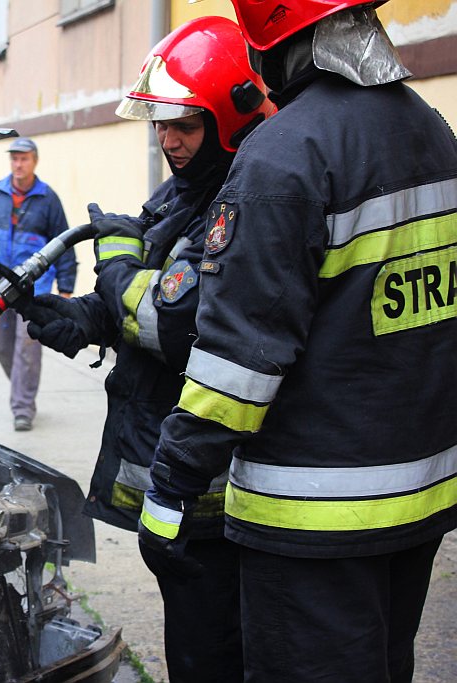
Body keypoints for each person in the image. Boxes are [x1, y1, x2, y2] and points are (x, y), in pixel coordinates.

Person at [135, 2, 457, 681]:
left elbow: (237, 364)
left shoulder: (286, 155)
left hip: (312, 520)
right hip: (419, 498)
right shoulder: (429, 129)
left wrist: (169, 487)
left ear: (273, 45)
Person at [21, 17, 275, 682]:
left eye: (184, 125)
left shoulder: (236, 198)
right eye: (160, 124)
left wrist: (111, 263)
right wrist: (76, 317)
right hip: (175, 481)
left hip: (213, 495)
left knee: (211, 648)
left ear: (224, 120)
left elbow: (174, 320)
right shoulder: (181, 193)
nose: (168, 139)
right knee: (191, 636)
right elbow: (137, 301)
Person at [0, 137, 76, 432]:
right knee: (3, 348)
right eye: (14, 159)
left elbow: (64, 241)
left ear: (34, 161)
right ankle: (22, 389)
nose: (18, 164)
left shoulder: (48, 198)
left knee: (27, 348)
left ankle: (22, 407)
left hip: (33, 291)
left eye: (24, 159)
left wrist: (66, 283)